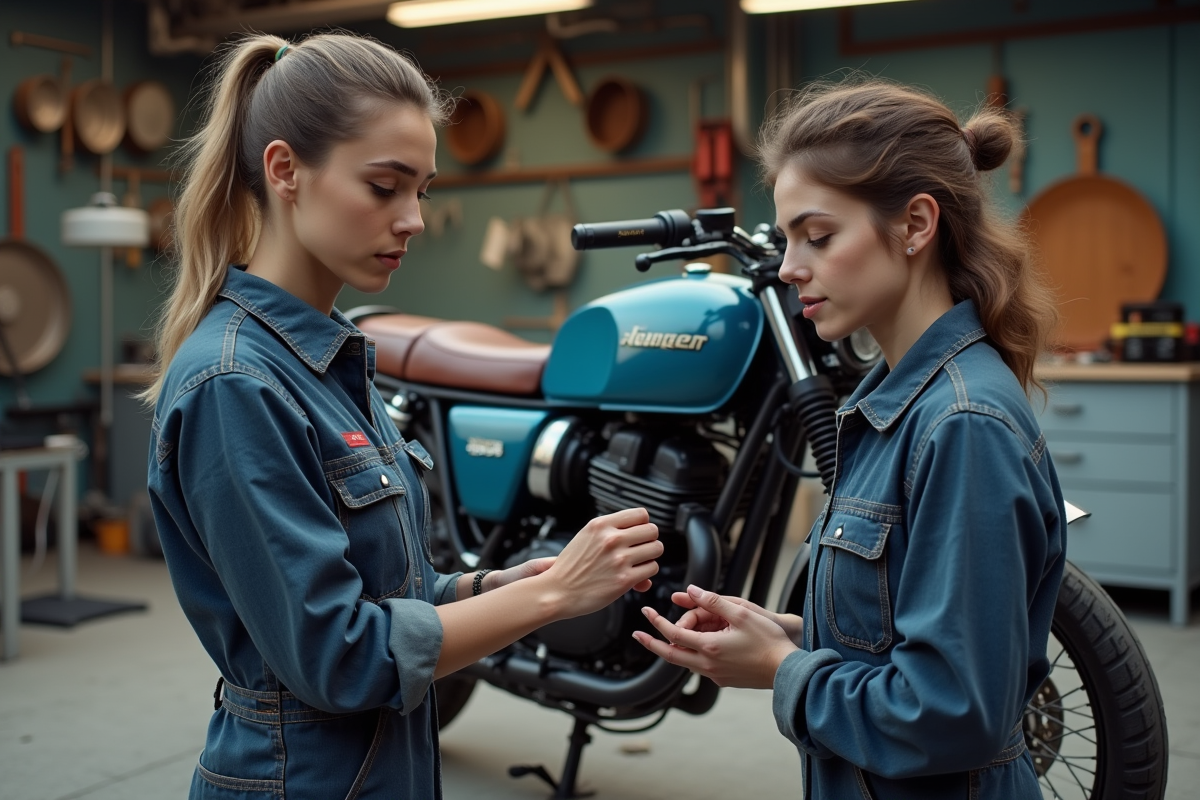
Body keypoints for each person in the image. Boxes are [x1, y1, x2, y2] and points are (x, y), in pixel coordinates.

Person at [143, 33, 662, 799]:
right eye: (385, 187)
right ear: (285, 171)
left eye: (422, 189)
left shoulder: (332, 362)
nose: (413, 218)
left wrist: (495, 588)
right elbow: (341, 656)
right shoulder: (235, 384)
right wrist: (549, 599)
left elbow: (387, 597)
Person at [633, 79, 1066, 800]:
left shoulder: (961, 427)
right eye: (786, 239)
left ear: (916, 225)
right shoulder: (889, 402)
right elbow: (903, 635)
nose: (789, 266)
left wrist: (780, 668)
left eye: (819, 235)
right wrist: (790, 635)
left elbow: (951, 714)